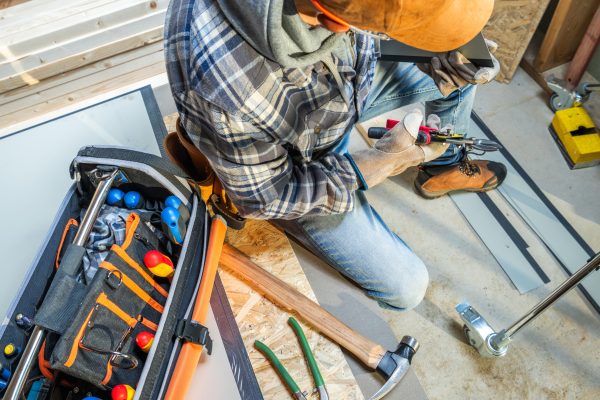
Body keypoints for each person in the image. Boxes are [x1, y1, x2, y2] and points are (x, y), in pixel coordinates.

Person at [164, 0, 506, 310]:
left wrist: (434, 47)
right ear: (335, 22)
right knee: (407, 287)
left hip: (337, 83)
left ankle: (440, 166)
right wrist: (378, 163)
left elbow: (368, 27)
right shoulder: (226, 91)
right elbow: (267, 196)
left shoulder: (332, 13)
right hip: (295, 161)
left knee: (462, 76)